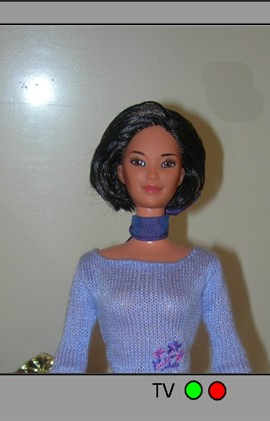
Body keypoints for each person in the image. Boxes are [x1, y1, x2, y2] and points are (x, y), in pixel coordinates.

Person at [52, 101, 250, 373]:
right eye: (138, 162)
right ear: (120, 171)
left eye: (167, 163)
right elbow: (69, 361)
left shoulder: (204, 268)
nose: (153, 175)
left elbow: (230, 360)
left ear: (181, 175)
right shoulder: (93, 268)